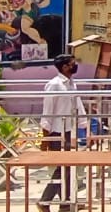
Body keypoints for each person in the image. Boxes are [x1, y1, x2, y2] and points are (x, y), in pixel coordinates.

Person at [39, 54, 86, 212]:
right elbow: (47, 113)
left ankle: (66, 203)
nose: (75, 65)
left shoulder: (71, 83)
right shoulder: (54, 85)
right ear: (65, 67)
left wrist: (84, 126)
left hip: (69, 131)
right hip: (57, 132)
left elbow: (78, 104)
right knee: (62, 168)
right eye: (72, 63)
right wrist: (45, 138)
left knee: (68, 167)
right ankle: (45, 201)